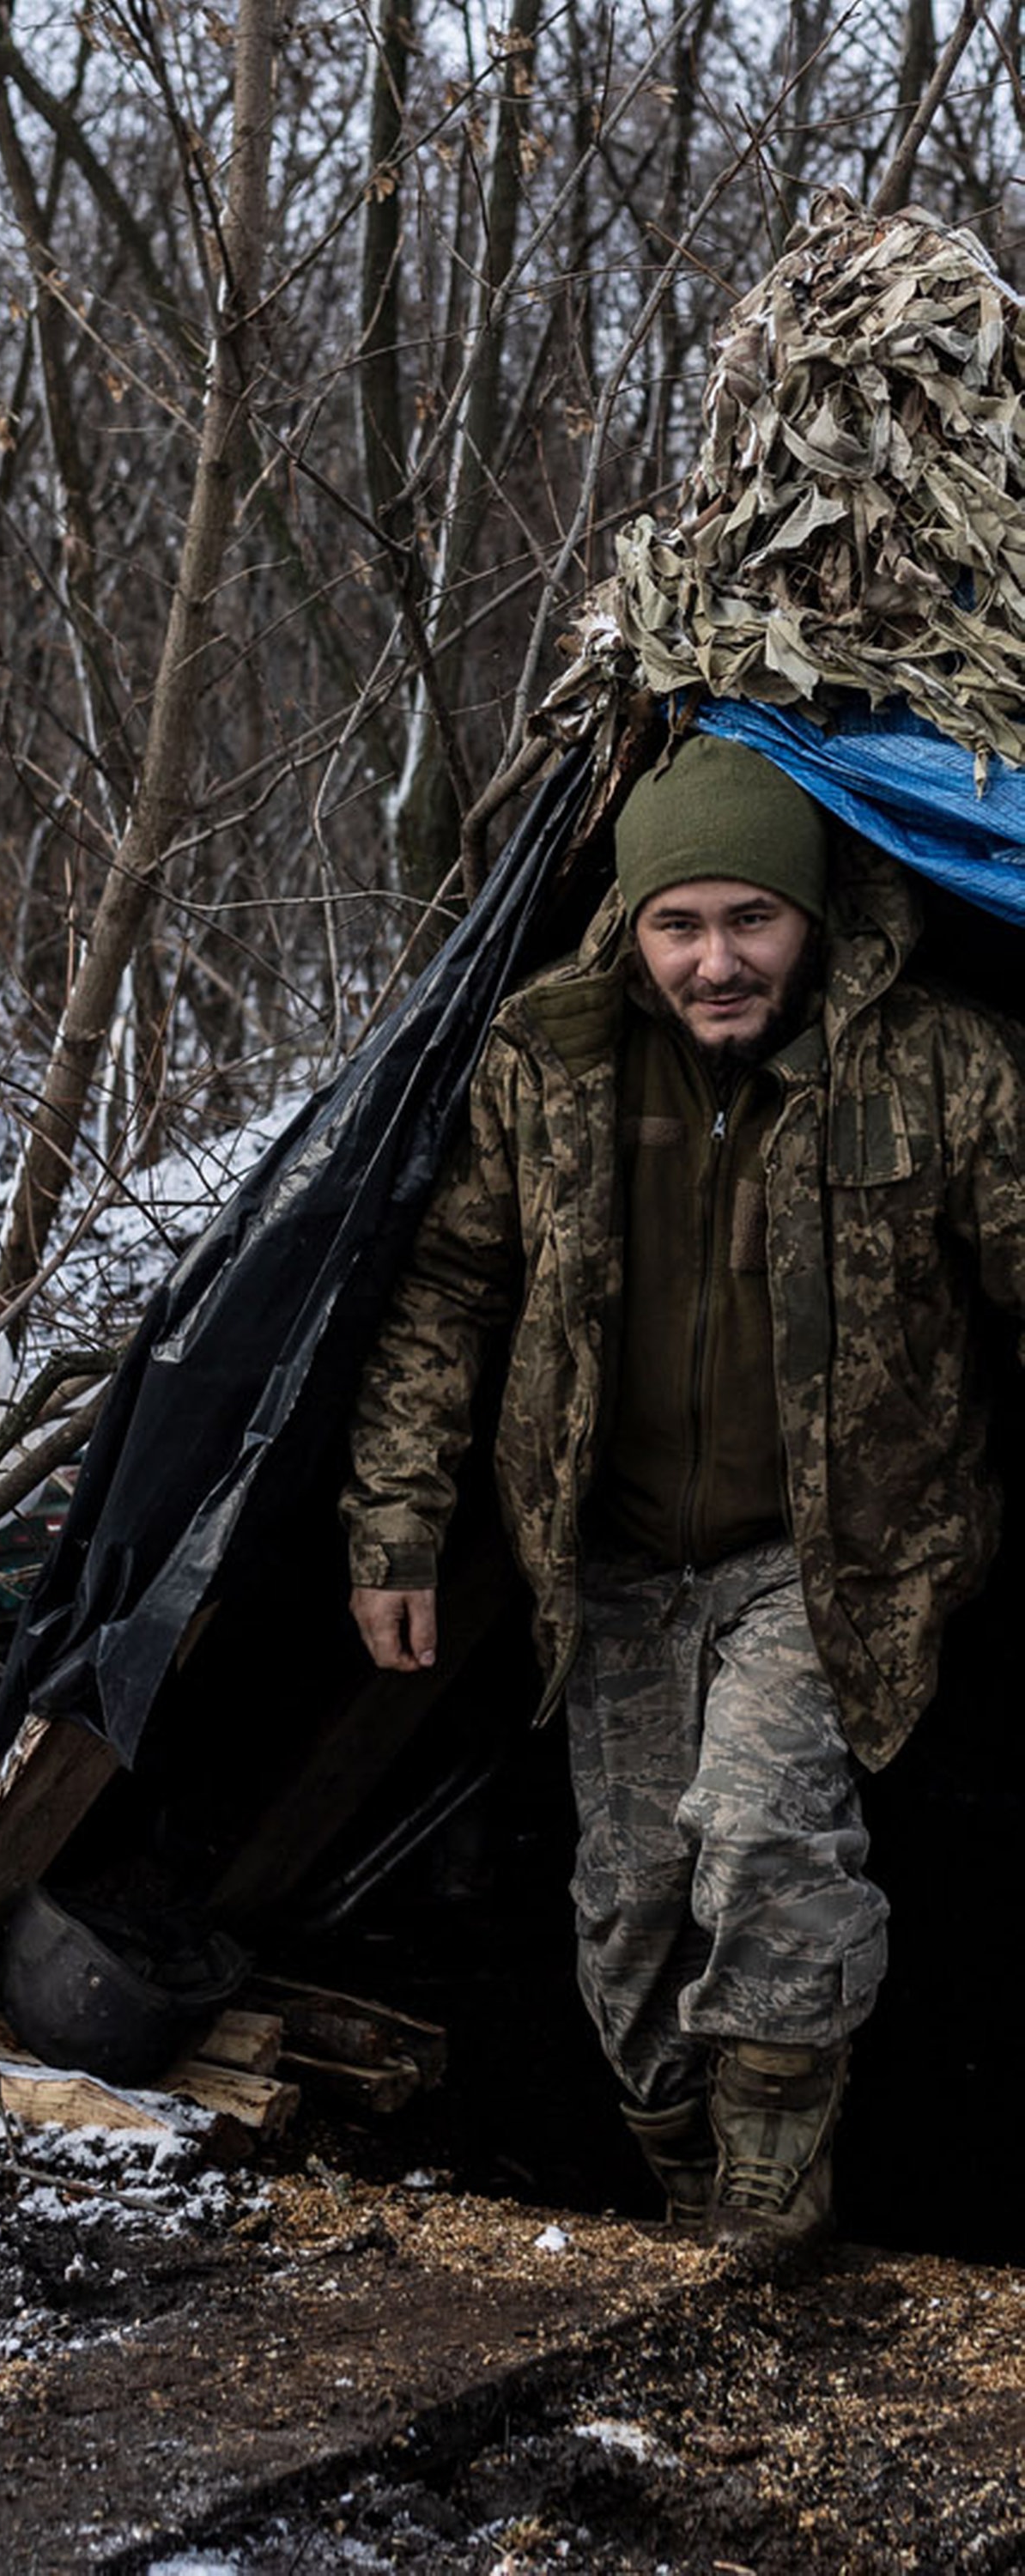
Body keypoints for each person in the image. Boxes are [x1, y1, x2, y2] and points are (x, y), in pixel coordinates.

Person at [339, 730, 1025, 2250]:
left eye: (750, 920)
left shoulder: (937, 1065)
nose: (716, 961)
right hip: (615, 1559)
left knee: (767, 1838)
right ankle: (690, 2188)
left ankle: (774, 2207)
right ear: (633, 925)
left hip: (834, 1554)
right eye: (680, 923)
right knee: (632, 1898)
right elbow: (444, 1293)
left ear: (813, 915)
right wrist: (394, 1525)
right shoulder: (549, 1057)